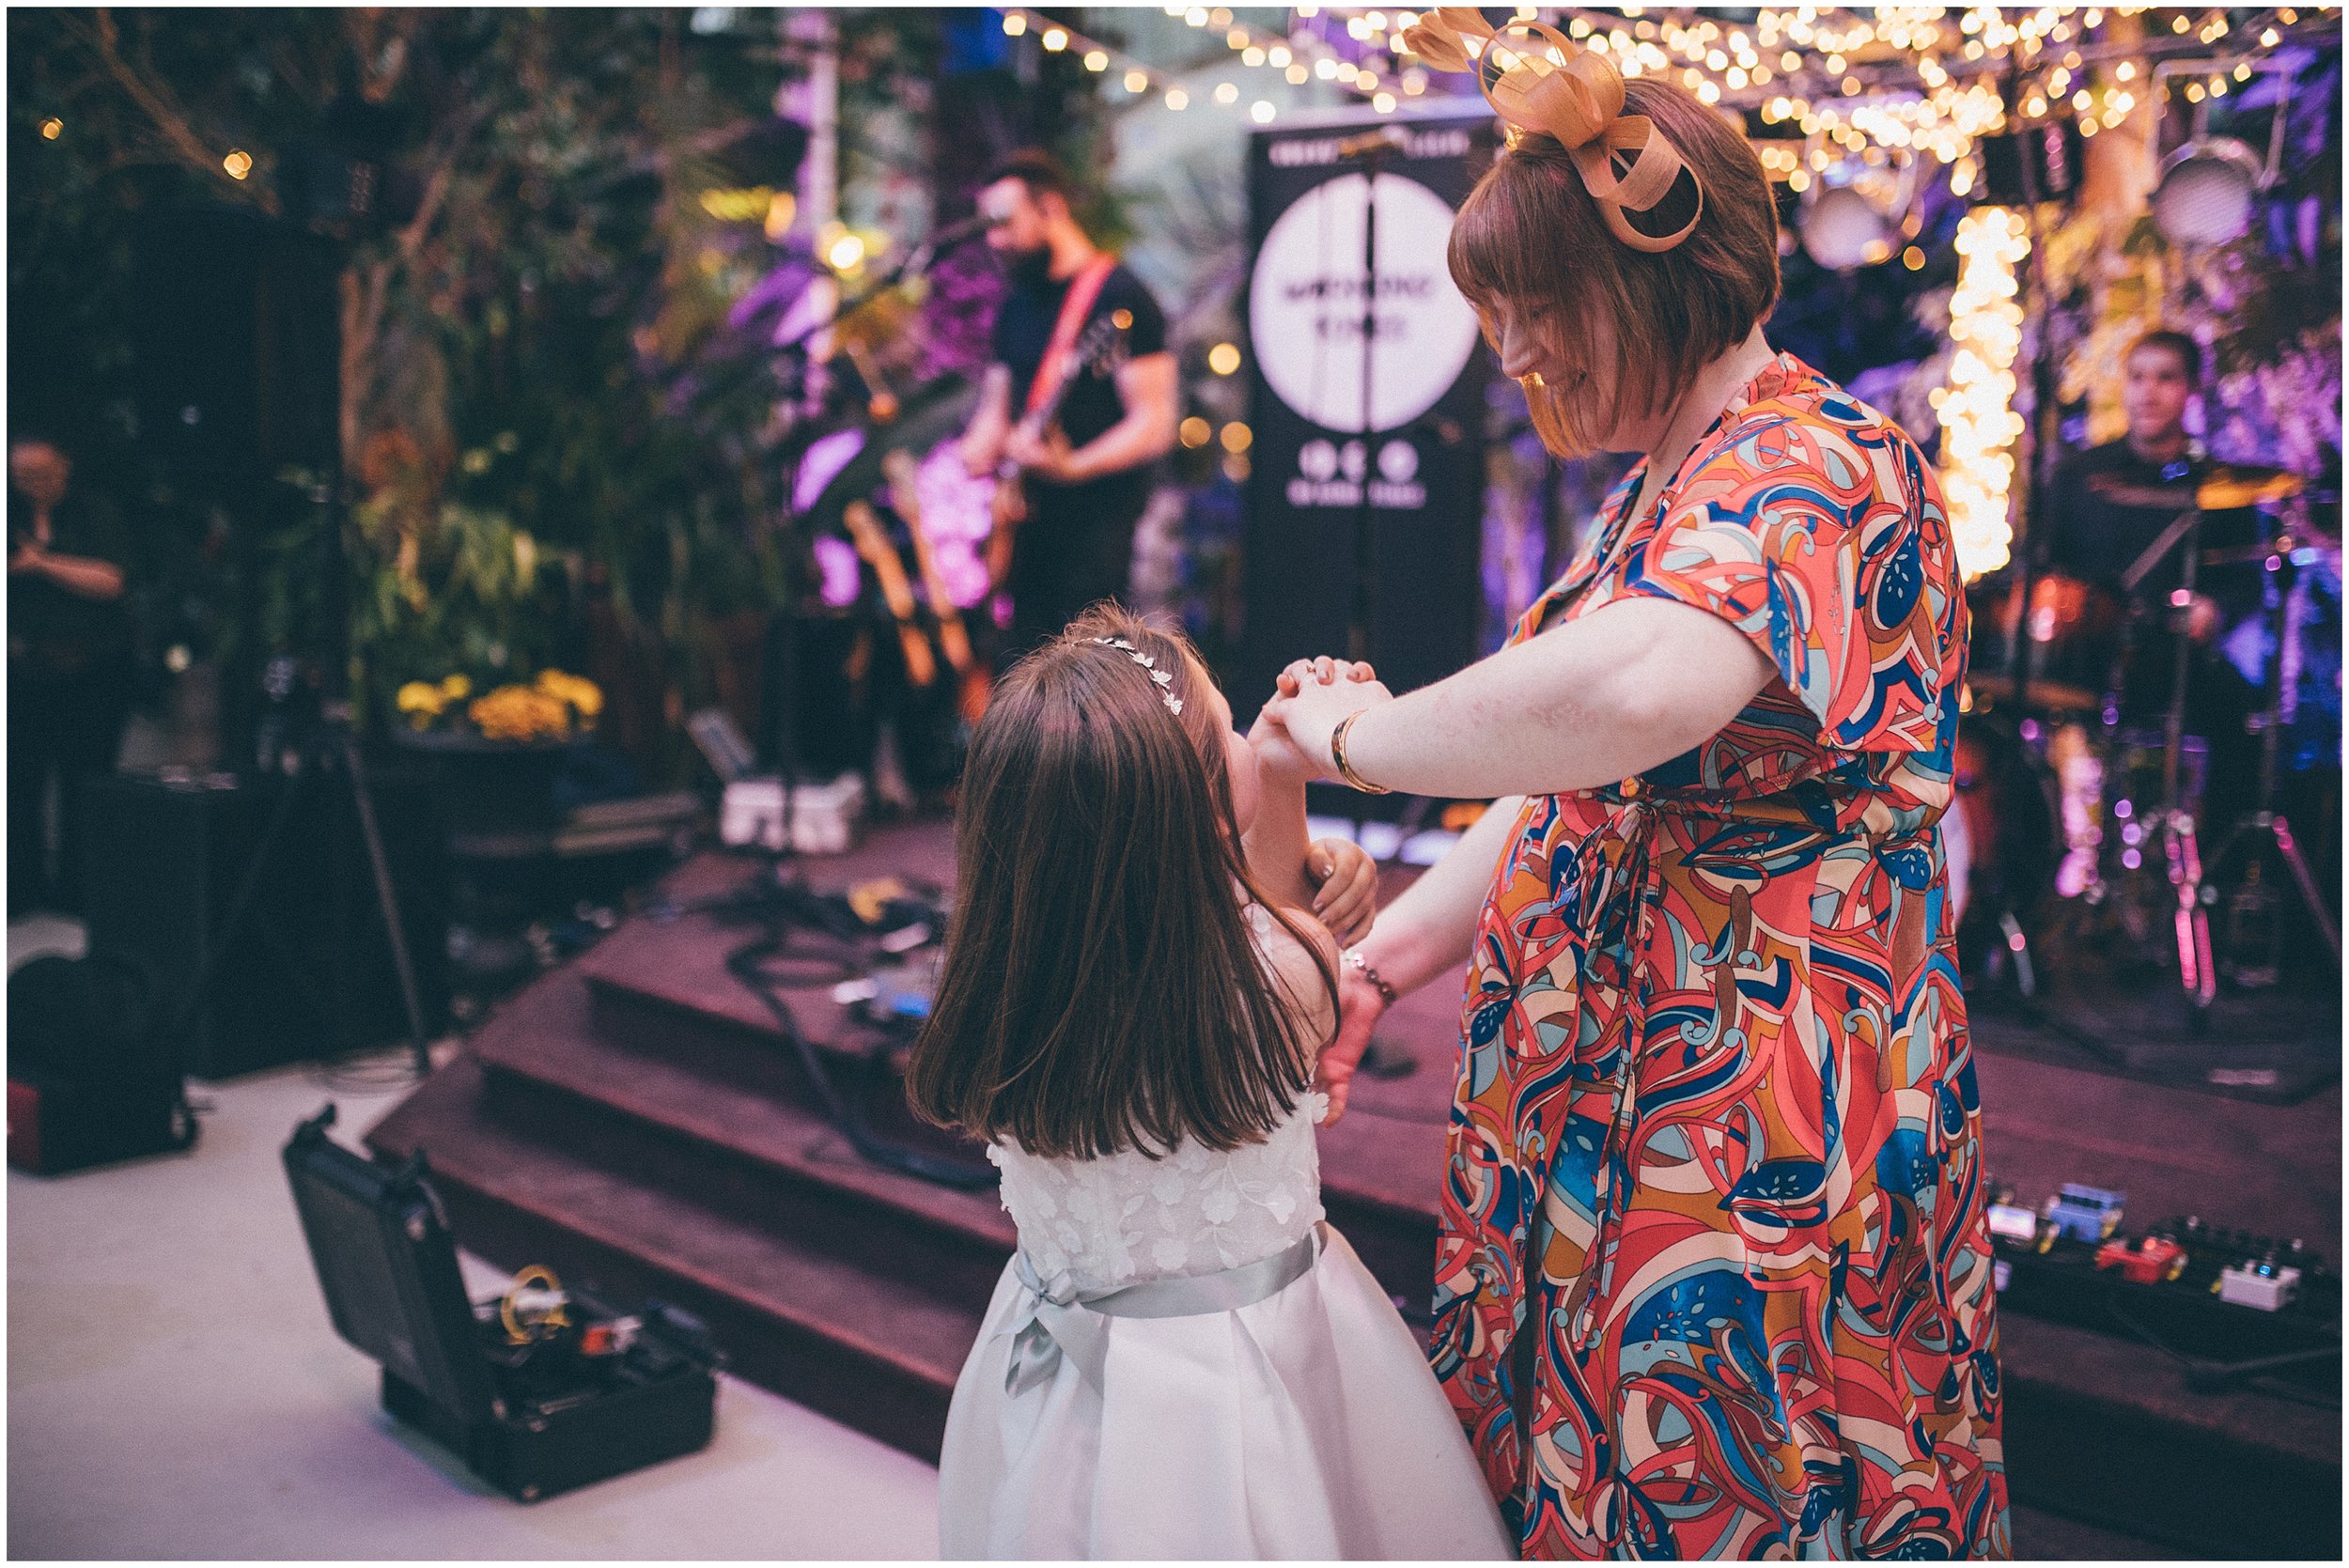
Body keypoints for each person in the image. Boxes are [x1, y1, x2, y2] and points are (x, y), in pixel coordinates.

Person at [1258, 13, 2008, 1558]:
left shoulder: (1821, 461)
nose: (1515, 354)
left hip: (1747, 1135)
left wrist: (1356, 736)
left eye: (1543, 310)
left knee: (1726, 1480)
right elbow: (1576, 794)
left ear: (1662, 272)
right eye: (1502, 317)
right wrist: (1382, 961)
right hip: (1612, 1106)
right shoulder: (1665, 488)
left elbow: (1623, 696)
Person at [907, 604, 1510, 1560]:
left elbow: (1248, 914)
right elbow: (1282, 943)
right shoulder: (1277, 973)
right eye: (1229, 726)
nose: (1250, 731)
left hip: (1059, 1368)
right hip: (1245, 1369)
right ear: (1185, 807)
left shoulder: (1012, 976)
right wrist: (1290, 783)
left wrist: (1273, 808)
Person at [956, 151, 1177, 664]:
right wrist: (978, 451)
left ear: (1050, 208)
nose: (994, 241)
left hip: (1095, 526)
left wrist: (1075, 465)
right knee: (1022, 665)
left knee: (1087, 669)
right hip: (1025, 523)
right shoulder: (1016, 302)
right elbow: (999, 402)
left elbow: (1155, 423)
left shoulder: (1121, 297)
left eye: (1004, 223)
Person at [9, 434, 134, 919]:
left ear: (64, 469)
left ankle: (80, 892)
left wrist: (42, 564)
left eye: (40, 475)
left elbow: (112, 580)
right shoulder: (10, 514)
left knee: (86, 781)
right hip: (24, 671)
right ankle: (20, 888)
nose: (31, 486)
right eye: (21, 478)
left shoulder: (94, 513)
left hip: (92, 669)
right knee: (19, 784)